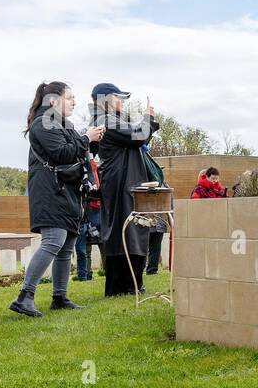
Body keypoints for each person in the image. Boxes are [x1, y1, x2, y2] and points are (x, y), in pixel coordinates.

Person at [10, 82, 105, 317]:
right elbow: (61, 153)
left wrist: (93, 141)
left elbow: (78, 152)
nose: (74, 101)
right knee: (54, 241)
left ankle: (59, 297)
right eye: (70, 97)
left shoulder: (64, 124)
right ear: (53, 100)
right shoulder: (43, 123)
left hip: (67, 191)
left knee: (67, 245)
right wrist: (86, 137)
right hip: (51, 191)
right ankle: (24, 296)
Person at [93, 82, 160, 297]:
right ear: (104, 100)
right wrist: (148, 117)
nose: (121, 101)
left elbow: (139, 138)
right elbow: (138, 136)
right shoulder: (106, 120)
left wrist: (147, 124)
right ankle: (123, 286)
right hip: (120, 184)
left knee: (134, 230)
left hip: (127, 181)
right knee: (125, 231)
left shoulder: (114, 120)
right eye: (117, 97)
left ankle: (132, 284)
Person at [73, 157, 102, 281]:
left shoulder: (99, 171)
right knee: (82, 248)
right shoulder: (79, 170)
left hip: (95, 211)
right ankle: (84, 275)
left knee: (101, 243)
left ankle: (106, 272)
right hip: (82, 213)